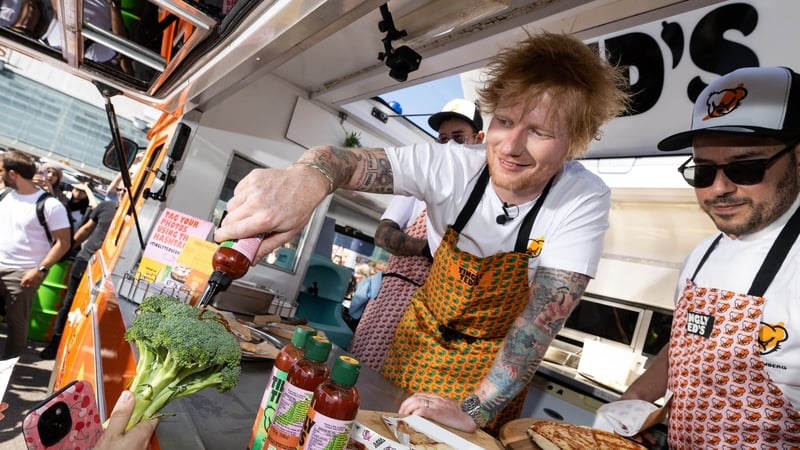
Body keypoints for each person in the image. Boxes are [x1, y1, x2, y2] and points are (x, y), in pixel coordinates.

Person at [215, 31, 630, 434]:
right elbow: (340, 161)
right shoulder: (452, 165)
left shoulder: (582, 199)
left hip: (490, 367)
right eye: (504, 121)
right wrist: (309, 177)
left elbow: (539, 323)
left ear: (575, 141)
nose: (511, 146)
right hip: (419, 337)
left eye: (539, 132)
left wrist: (475, 409)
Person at [619, 66, 800, 448]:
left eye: (745, 168)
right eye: (703, 171)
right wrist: (635, 399)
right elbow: (688, 343)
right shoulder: (702, 255)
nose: (719, 188)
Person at [348, 98, 485, 371]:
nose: (449, 147)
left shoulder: (484, 198)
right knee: (360, 373)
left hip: (438, 312)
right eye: (443, 139)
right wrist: (430, 250)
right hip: (392, 299)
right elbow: (383, 235)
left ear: (478, 139)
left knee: (403, 391)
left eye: (458, 138)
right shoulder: (419, 183)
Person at [0, 151, 71, 359]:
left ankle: (6, 367)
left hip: (23, 273)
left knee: (16, 323)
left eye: (2, 171)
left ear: (13, 174)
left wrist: (40, 270)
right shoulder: (5, 195)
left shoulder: (50, 205)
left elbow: (63, 242)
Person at [39, 200, 117, 360]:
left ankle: (75, 349)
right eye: (121, 189)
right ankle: (55, 343)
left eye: (125, 189)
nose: (123, 192)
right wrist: (68, 247)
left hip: (107, 271)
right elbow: (87, 229)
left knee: (92, 310)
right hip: (85, 261)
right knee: (68, 303)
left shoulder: (138, 214)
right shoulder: (106, 207)